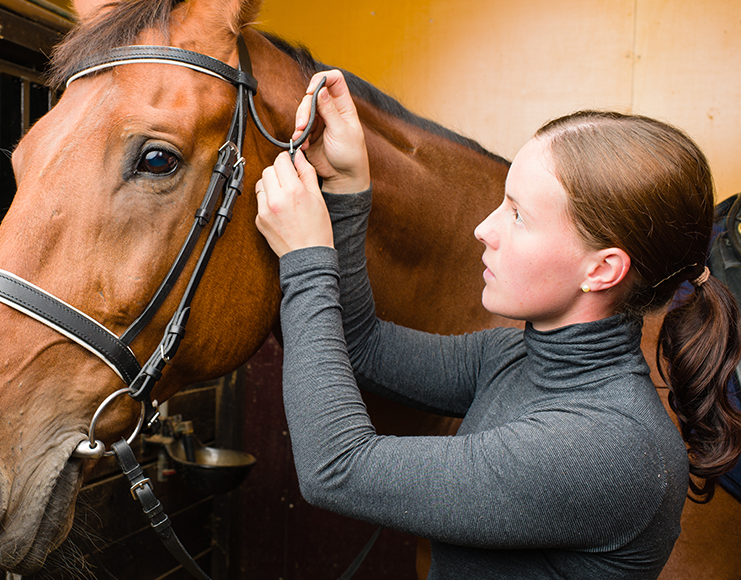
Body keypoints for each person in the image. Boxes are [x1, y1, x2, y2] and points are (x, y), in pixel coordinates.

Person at [253, 69, 741, 579]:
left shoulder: (608, 448)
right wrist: (350, 188)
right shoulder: (512, 358)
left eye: (518, 215)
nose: (483, 229)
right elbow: (362, 346)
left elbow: (336, 469)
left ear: (601, 270)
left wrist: (308, 258)